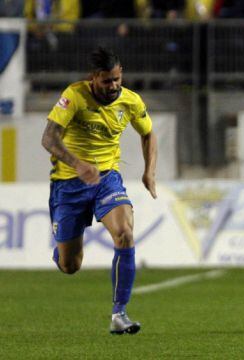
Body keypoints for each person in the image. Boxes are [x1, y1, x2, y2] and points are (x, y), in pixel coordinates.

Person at [41, 47, 158, 335]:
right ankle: (62, 248)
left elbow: (148, 133)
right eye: (107, 81)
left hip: (107, 179)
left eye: (117, 79)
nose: (114, 86)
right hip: (69, 185)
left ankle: (119, 313)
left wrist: (149, 172)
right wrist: (77, 164)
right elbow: (49, 137)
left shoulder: (131, 101)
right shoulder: (75, 96)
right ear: (94, 78)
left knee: (125, 233)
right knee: (70, 265)